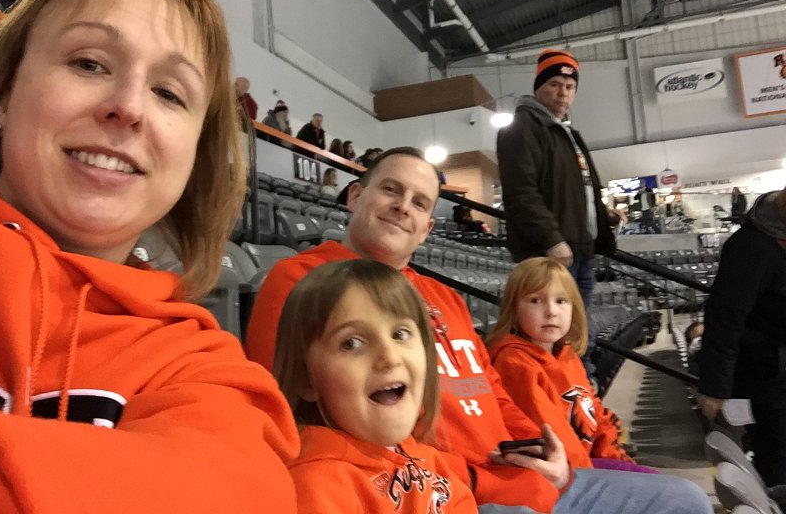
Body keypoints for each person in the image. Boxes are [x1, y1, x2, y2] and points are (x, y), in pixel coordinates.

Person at [0, 0, 299, 511]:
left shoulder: (202, 366)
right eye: (89, 63)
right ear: (5, 95)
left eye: (169, 93)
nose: (128, 106)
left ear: (194, 158)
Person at [245, 146, 713, 514]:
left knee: (684, 501)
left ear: (427, 228)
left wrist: (540, 446)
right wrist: (475, 479)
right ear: (355, 196)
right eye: (390, 190)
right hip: (450, 490)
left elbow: (491, 387)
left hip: (522, 473)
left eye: (419, 202)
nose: (402, 207)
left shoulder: (443, 295)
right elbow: (293, 417)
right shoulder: (302, 279)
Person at [274, 259, 480, 513]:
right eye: (351, 343)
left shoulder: (431, 462)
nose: (390, 357)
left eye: (400, 334)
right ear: (306, 379)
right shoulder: (318, 485)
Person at [496, 49, 618, 367]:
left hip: (581, 249)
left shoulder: (565, 132)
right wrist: (552, 239)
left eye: (569, 86)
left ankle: (579, 389)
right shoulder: (522, 128)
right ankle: (557, 390)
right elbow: (521, 193)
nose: (563, 92)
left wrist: (603, 217)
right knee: (552, 336)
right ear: (538, 87)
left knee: (577, 335)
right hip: (553, 253)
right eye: (554, 84)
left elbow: (577, 189)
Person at [487, 258, 656, 474]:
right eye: (535, 301)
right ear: (514, 309)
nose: (551, 311)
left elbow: (597, 414)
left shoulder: (567, 356)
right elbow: (552, 439)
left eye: (561, 301)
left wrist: (618, 458)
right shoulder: (515, 363)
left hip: (586, 462)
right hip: (566, 473)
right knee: (670, 489)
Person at [698, 188, 786, 487]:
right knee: (778, 461)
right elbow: (725, 317)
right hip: (768, 377)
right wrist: (715, 387)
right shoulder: (753, 246)